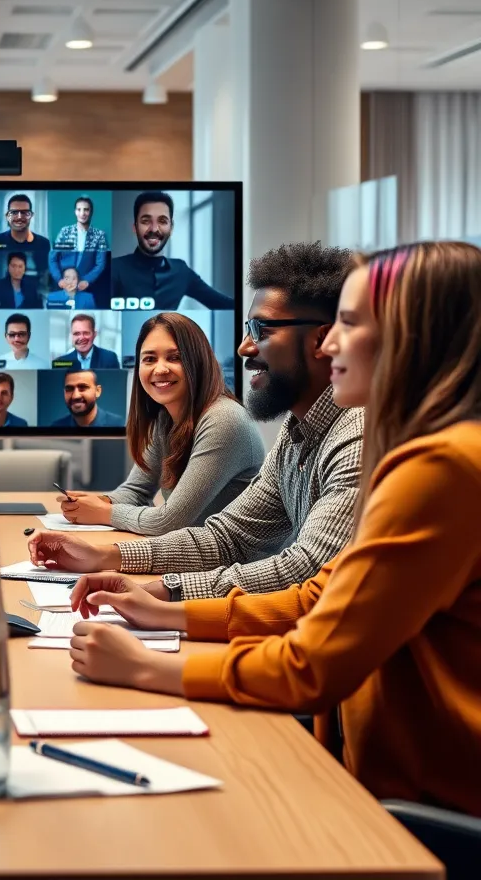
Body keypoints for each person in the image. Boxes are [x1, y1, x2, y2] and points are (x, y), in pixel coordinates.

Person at [65, 241, 481, 816]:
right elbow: (316, 594)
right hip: (370, 772)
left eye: (351, 323)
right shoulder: (398, 445)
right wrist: (160, 606)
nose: (331, 341)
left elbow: (312, 662)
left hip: (421, 808)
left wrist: (147, 666)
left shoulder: (439, 466)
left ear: (414, 337)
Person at [30, 242, 364, 601]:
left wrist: (164, 593)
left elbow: (305, 570)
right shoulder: (295, 432)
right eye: (148, 358)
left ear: (323, 339)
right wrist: (106, 555)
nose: (244, 348)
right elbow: (227, 537)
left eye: (261, 330)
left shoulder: (355, 438)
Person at [58, 312, 263, 534]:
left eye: (174, 357)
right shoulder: (166, 418)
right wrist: (99, 501)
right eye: (149, 359)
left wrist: (103, 512)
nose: (160, 369)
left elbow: (169, 522)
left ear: (199, 360)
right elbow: (137, 492)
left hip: (236, 564)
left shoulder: (224, 419)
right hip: (197, 557)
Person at [111, 192, 233, 310]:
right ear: (135, 227)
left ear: (171, 228)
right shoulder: (113, 269)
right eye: (146, 221)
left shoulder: (181, 271)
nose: (154, 229)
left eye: (162, 221)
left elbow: (225, 304)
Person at [49, 195, 108, 292]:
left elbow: (100, 264)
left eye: (86, 210)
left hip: (85, 286)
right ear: (75, 212)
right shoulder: (65, 232)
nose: (82, 213)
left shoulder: (100, 235)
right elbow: (52, 259)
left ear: (91, 212)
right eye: (79, 209)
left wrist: (87, 280)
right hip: (63, 285)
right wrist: (59, 279)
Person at [0, 193, 51, 264]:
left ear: (31, 216)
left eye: (24, 212)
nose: (19, 217)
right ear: (7, 216)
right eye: (14, 212)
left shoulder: (44, 244)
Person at [49, 369, 125, 428]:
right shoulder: (56, 426)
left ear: (98, 391)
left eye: (83, 387)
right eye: (69, 389)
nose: (75, 396)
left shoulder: (120, 424)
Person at [54, 313, 120, 369]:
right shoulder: (61, 362)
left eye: (86, 333)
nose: (81, 338)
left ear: (94, 334)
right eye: (76, 333)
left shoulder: (109, 359)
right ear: (71, 336)